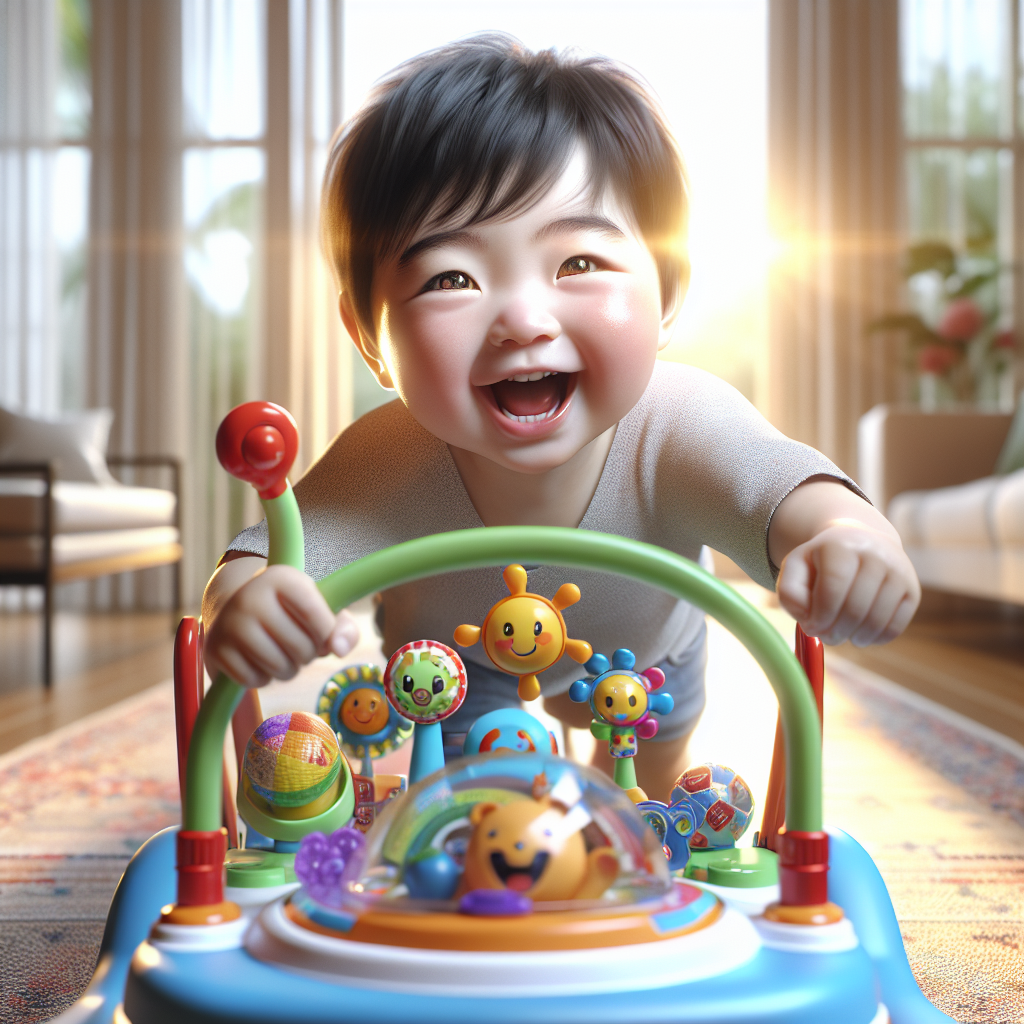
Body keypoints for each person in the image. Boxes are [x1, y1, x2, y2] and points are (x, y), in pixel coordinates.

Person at [202, 36, 920, 801]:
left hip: (649, 660)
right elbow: (265, 561)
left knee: (648, 813)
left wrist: (852, 541)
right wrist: (244, 606)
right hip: (460, 668)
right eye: (451, 277)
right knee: (483, 816)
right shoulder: (385, 459)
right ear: (370, 339)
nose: (522, 318)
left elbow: (788, 496)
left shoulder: (683, 422)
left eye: (577, 264)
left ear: (669, 293)